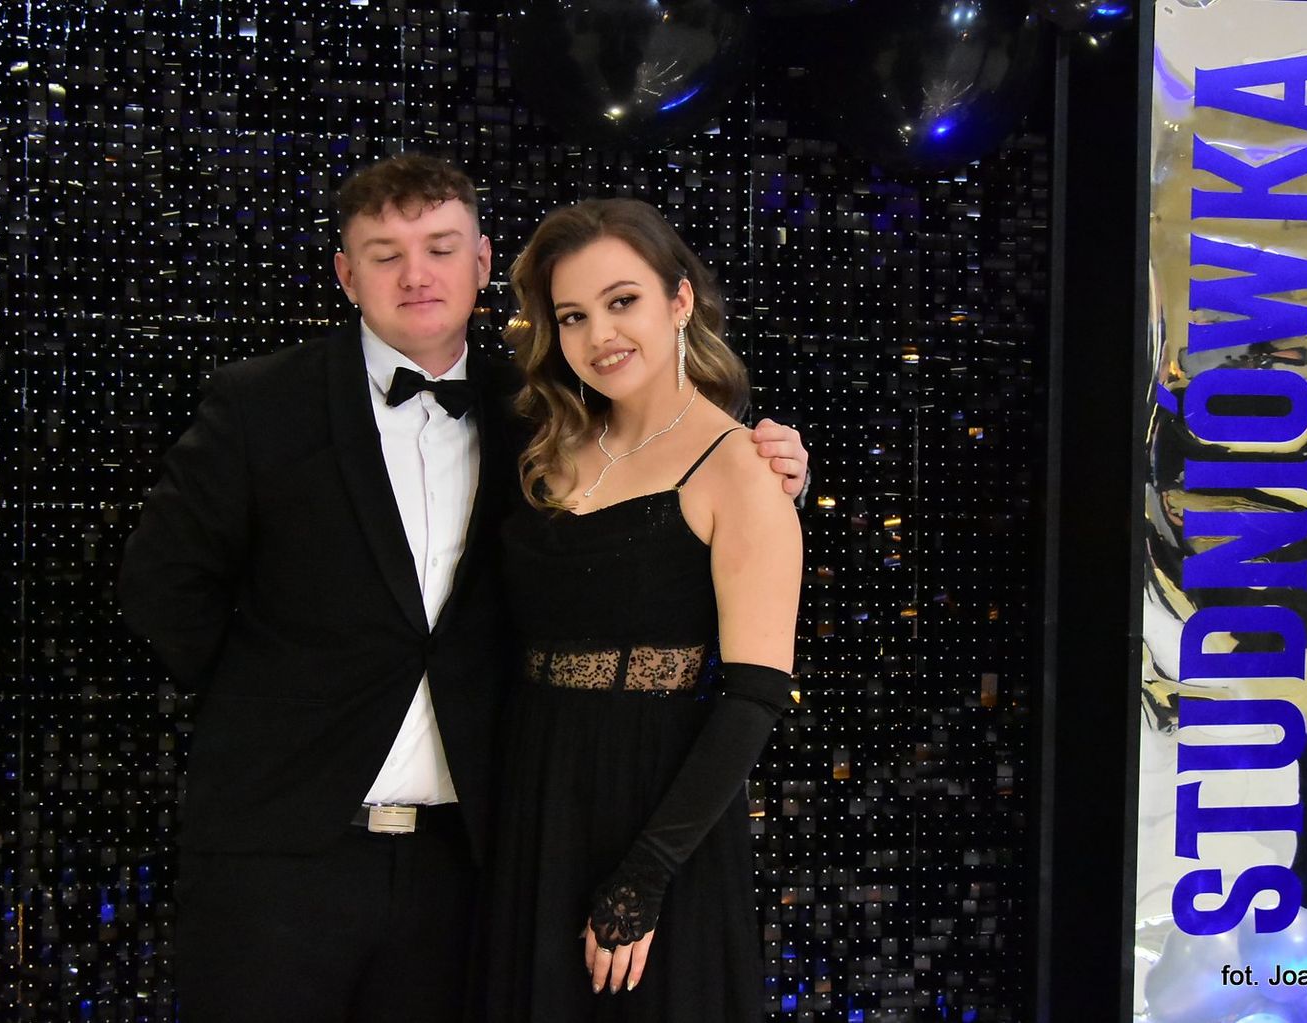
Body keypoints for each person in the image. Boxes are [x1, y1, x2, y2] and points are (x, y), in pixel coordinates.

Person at [116, 155, 808, 1023]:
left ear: (481, 263)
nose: (417, 275)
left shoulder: (539, 416)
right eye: (385, 254)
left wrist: (775, 474)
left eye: (441, 248)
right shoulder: (261, 403)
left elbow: (656, 522)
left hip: (470, 856)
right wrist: (268, 699)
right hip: (280, 852)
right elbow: (160, 586)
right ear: (346, 274)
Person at [485, 198, 803, 1022]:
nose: (600, 335)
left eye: (622, 300)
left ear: (680, 299)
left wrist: (646, 874)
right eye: (573, 316)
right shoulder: (545, 446)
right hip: (535, 794)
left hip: (657, 810)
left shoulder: (741, 468)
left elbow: (755, 696)